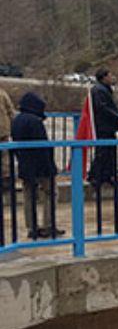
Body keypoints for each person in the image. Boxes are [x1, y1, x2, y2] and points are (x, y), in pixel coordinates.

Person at [11, 92, 60, 239]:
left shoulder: (16, 120)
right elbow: (43, 146)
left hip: (25, 165)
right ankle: (48, 226)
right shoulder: (35, 121)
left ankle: (32, 227)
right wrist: (51, 167)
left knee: (28, 196)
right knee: (51, 193)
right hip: (41, 166)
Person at [88, 68, 118, 186]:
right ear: (104, 77)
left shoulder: (103, 89)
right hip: (103, 126)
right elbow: (102, 107)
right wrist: (115, 116)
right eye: (110, 75)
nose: (112, 77)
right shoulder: (99, 90)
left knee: (108, 151)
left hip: (106, 126)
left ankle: (106, 175)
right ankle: (96, 176)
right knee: (103, 151)